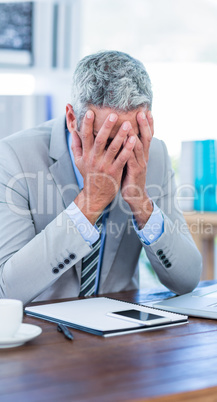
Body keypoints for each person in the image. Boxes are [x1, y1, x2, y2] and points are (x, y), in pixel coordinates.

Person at [0, 51, 202, 305]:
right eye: (107, 140)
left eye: (133, 137)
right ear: (73, 119)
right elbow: (7, 291)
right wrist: (90, 203)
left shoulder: (155, 155)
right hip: (44, 333)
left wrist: (141, 205)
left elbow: (187, 279)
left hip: (120, 332)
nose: (121, 153)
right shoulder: (14, 158)